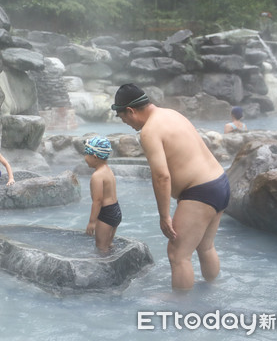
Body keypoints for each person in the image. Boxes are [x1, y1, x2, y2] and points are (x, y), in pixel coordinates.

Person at [111, 84, 230, 290]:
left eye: (124, 119)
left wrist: (164, 216)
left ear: (130, 111)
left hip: (200, 191)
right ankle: (214, 290)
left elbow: (161, 176)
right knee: (205, 246)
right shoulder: (171, 114)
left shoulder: (149, 131)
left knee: (178, 254)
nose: (128, 124)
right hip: (219, 182)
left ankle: (180, 308)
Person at [83, 136, 122, 253]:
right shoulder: (108, 170)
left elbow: (98, 200)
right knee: (108, 244)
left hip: (106, 213)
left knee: (101, 247)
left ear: (94, 157)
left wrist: (92, 222)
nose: (85, 158)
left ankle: (105, 268)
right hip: (115, 210)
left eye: (86, 154)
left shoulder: (97, 176)